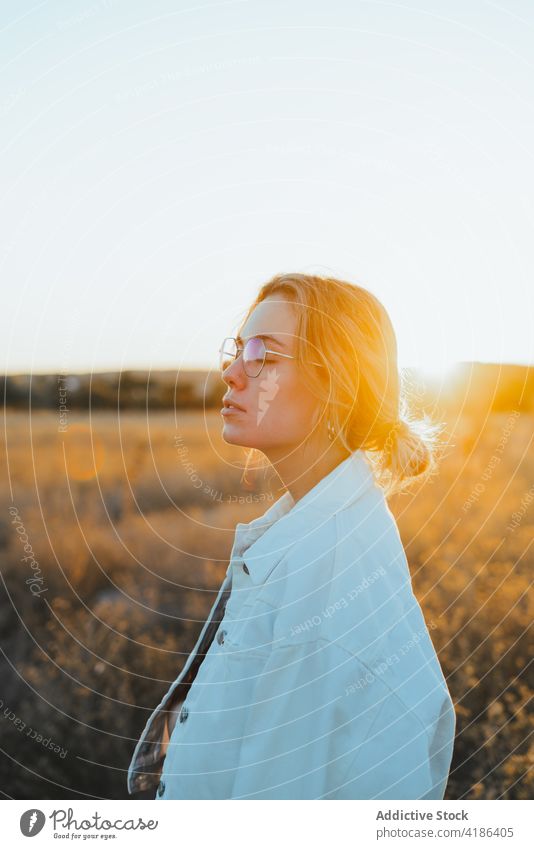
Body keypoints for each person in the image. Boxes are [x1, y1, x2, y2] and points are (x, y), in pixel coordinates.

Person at [127, 272, 456, 800]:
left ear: (336, 383)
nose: (233, 373)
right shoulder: (313, 536)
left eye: (264, 356)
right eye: (238, 350)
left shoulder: (323, 582)